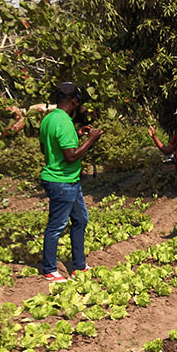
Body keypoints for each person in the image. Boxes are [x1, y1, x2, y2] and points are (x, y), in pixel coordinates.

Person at [39, 82, 102, 283]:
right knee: (56, 226)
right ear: (74, 101)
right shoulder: (64, 122)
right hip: (62, 182)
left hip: (68, 181)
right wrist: (91, 140)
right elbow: (71, 157)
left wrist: (78, 135)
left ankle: (79, 266)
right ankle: (49, 270)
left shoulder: (48, 119)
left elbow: (46, 148)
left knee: (81, 220)